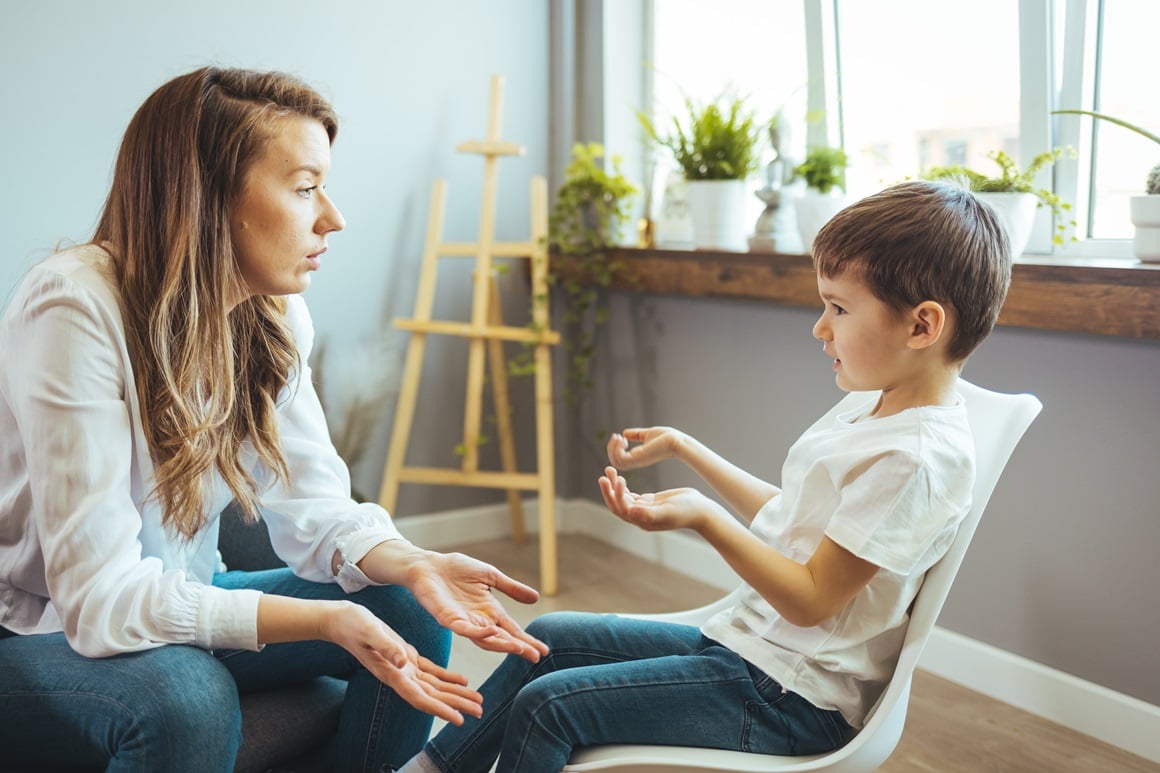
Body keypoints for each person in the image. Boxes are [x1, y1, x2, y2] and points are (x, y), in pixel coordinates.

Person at [0, 66, 549, 773]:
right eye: (303, 187)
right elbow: (102, 599)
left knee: (407, 606)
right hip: (39, 632)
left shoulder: (271, 312)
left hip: (172, 599)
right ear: (209, 198)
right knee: (188, 698)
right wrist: (323, 617)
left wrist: (416, 563)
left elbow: (316, 508)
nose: (332, 217)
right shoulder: (74, 308)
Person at [398, 178, 1013, 773]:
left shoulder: (917, 458)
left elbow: (811, 598)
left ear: (922, 326)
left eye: (838, 308)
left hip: (792, 699)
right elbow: (798, 520)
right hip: (750, 652)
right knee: (550, 639)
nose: (820, 327)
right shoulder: (876, 402)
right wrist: (688, 450)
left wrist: (705, 518)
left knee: (549, 706)